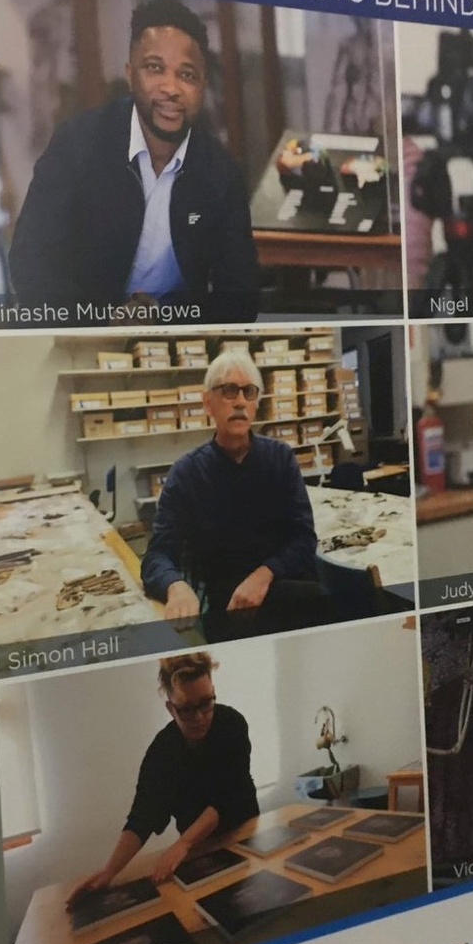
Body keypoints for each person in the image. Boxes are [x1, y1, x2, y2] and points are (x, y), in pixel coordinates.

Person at [8, 0, 259, 322]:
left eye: (186, 75)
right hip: (81, 339)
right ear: (130, 74)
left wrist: (167, 320)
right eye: (155, 68)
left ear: (202, 86)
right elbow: (31, 262)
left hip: (178, 349)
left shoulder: (221, 173)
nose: (171, 88)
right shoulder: (77, 146)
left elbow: (240, 296)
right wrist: (101, 323)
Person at [140, 349, 321, 641]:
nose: (240, 401)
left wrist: (264, 575)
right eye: (229, 390)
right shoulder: (186, 474)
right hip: (228, 611)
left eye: (249, 391)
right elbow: (158, 554)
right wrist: (175, 586)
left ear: (257, 403)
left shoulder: (281, 459)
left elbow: (303, 538)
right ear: (207, 403)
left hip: (287, 595)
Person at [67, 653, 259, 900]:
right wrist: (109, 871)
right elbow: (143, 817)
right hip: (199, 851)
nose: (200, 717)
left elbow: (226, 796)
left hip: (247, 834)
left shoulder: (232, 723)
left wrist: (183, 844)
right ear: (171, 708)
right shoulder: (162, 751)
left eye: (206, 703)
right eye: (187, 709)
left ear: (213, 692)